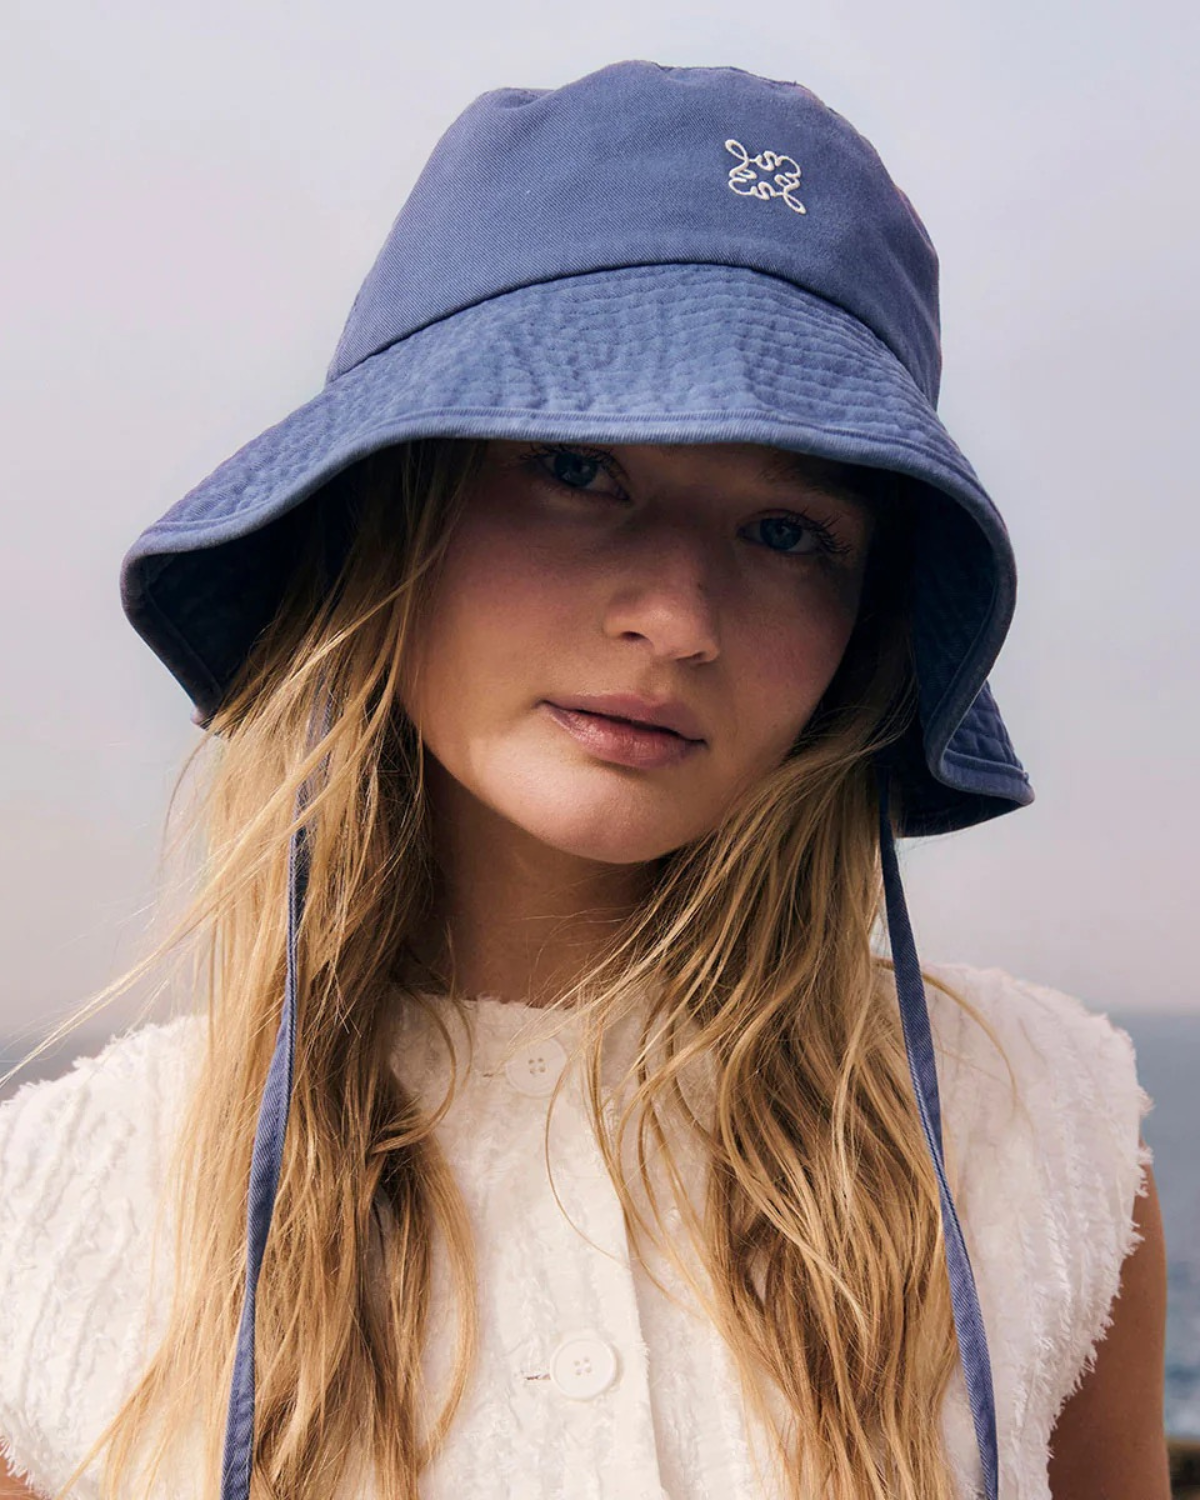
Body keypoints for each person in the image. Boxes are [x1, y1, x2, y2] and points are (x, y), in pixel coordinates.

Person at [0, 59, 1169, 1500]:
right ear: (391, 509)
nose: (677, 618)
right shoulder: (58, 1211)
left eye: (792, 532)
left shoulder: (1040, 1136)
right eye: (575, 465)